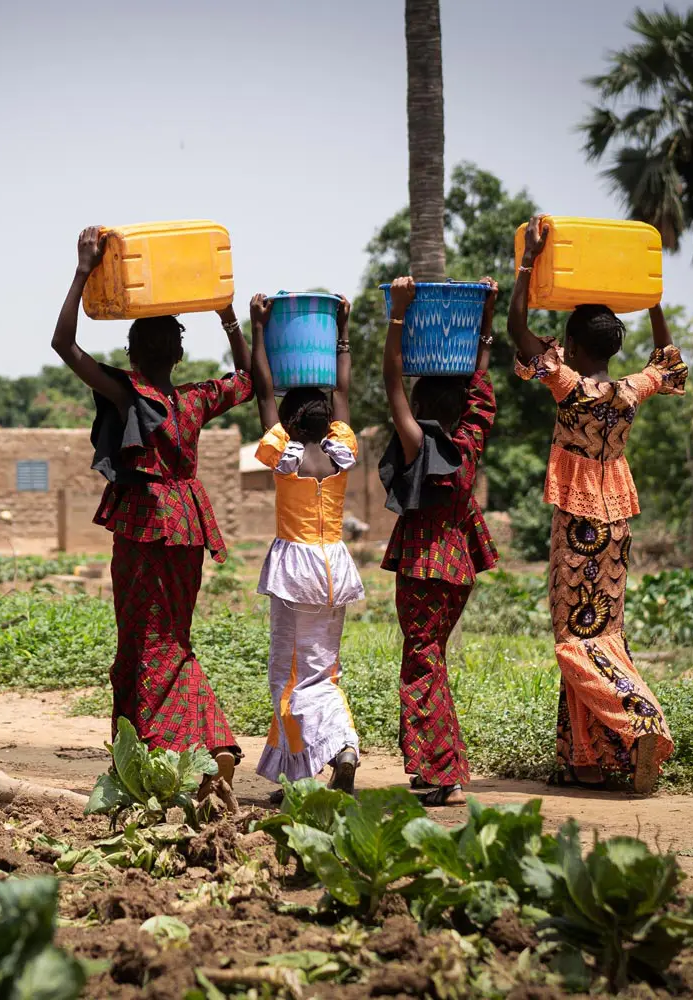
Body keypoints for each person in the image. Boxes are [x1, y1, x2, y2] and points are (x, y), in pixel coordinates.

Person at [51, 225, 254, 811]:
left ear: (133, 353)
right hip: (187, 523)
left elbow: (65, 346)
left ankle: (176, 750)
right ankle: (196, 745)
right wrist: (229, 318)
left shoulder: (128, 392)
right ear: (179, 355)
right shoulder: (191, 400)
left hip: (144, 523)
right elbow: (246, 380)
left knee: (145, 643)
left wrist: (84, 270)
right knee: (175, 639)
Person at [507, 214, 688, 795]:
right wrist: (651, 294)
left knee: (571, 640)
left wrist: (529, 261)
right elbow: (669, 358)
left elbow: (517, 332)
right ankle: (584, 760)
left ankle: (641, 720)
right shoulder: (630, 391)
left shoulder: (570, 387)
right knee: (602, 631)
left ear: (575, 346)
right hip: (616, 528)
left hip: (577, 523)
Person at [378, 275, 500, 807]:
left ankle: (439, 770)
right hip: (459, 564)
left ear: (424, 408)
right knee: (433, 657)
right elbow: (481, 386)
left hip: (425, 565)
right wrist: (486, 322)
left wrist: (399, 317)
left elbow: (390, 386)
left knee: (422, 661)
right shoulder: (468, 441)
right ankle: (441, 766)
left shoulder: (420, 444)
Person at [247, 292, 363, 798]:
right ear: (328, 424)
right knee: (324, 671)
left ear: (289, 425)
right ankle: (322, 758)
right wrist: (341, 331)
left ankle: (320, 761)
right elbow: (342, 392)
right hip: (333, 565)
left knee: (288, 677)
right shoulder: (342, 452)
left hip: (296, 569)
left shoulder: (284, 456)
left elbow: (263, 393)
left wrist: (257, 329)